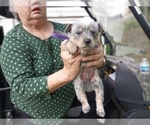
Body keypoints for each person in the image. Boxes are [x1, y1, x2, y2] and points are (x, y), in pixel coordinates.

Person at [0, 0, 105, 120]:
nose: (34, 1)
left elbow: (92, 56)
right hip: (34, 117)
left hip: (71, 107)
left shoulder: (67, 31)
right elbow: (22, 86)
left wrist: (101, 61)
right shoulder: (13, 41)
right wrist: (67, 74)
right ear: (13, 9)